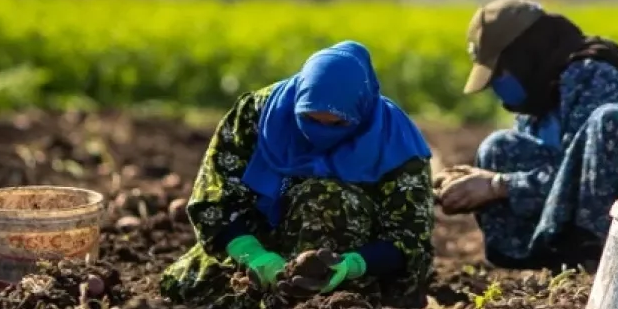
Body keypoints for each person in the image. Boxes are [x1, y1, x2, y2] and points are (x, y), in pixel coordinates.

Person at [159, 41, 435, 309]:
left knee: (325, 196)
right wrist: (254, 256)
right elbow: (214, 201)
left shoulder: (394, 140)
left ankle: (335, 298)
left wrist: (352, 265)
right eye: (310, 119)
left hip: (359, 263)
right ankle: (273, 288)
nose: (321, 133)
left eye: (338, 124)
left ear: (361, 112)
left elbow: (410, 235)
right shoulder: (255, 116)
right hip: (257, 250)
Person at [436, 0, 618, 270]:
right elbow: (556, 171)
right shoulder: (541, 92)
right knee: (498, 148)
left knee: (609, 120)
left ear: (525, 53)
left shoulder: (594, 77)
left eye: (500, 72)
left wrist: (498, 186)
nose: (497, 85)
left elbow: (585, 177)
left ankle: (596, 258)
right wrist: (472, 184)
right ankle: (546, 259)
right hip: (575, 212)